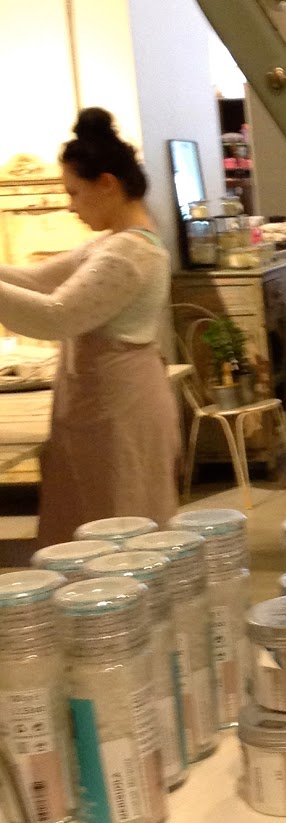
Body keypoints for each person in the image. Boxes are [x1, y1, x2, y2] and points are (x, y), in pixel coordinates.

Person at [0, 109, 179, 545]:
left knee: (119, 524)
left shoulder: (130, 253)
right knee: (92, 517)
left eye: (74, 193)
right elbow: (37, 280)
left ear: (107, 185)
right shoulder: (113, 243)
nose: (70, 205)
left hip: (120, 408)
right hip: (103, 405)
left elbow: (55, 315)